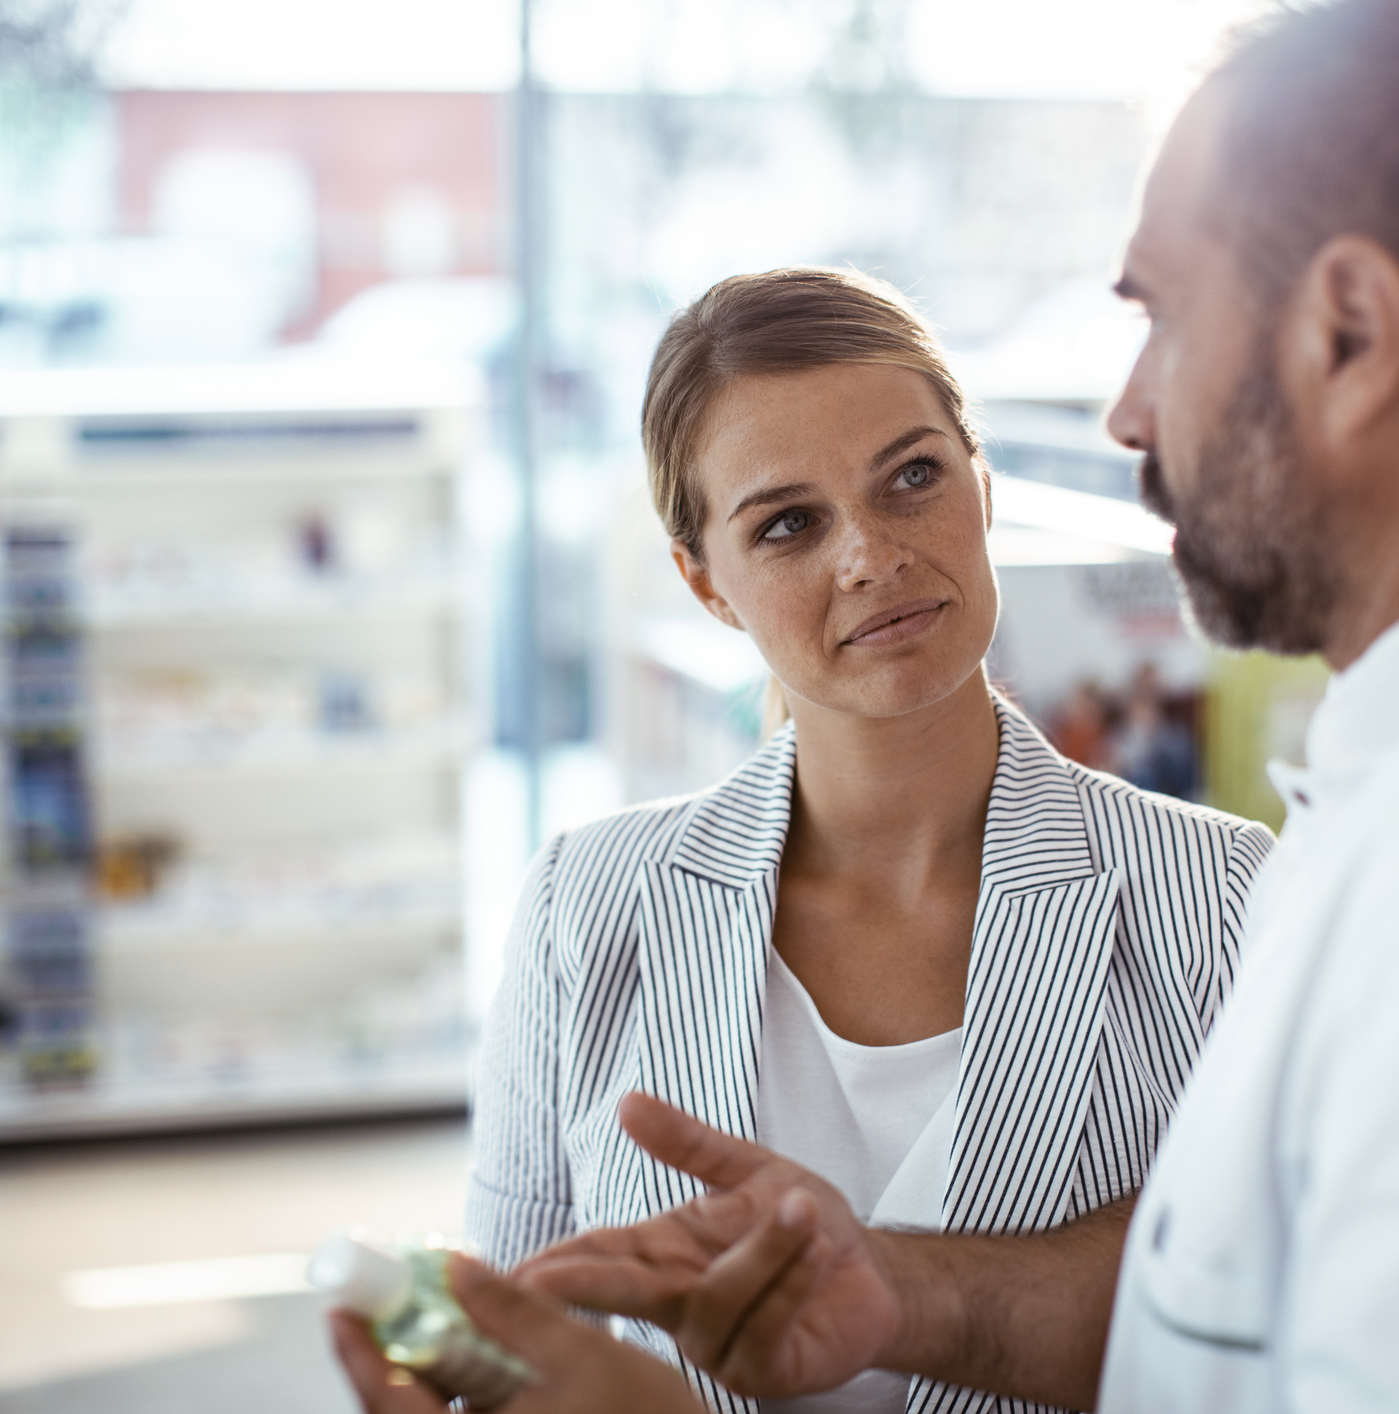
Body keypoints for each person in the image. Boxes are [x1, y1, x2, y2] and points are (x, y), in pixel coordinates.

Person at [336, 1, 1399, 1410]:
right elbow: (1252, 1294)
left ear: (1348, 329)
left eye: (1161, 313)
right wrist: (909, 1296)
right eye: (783, 522)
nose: (1125, 411)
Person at [330, 266, 1274, 1414]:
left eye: (914, 477)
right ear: (705, 582)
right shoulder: (592, 904)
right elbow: (525, 1330)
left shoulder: (1224, 895)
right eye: (787, 524)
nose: (870, 556)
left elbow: (1284, 1335)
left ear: (982, 483)